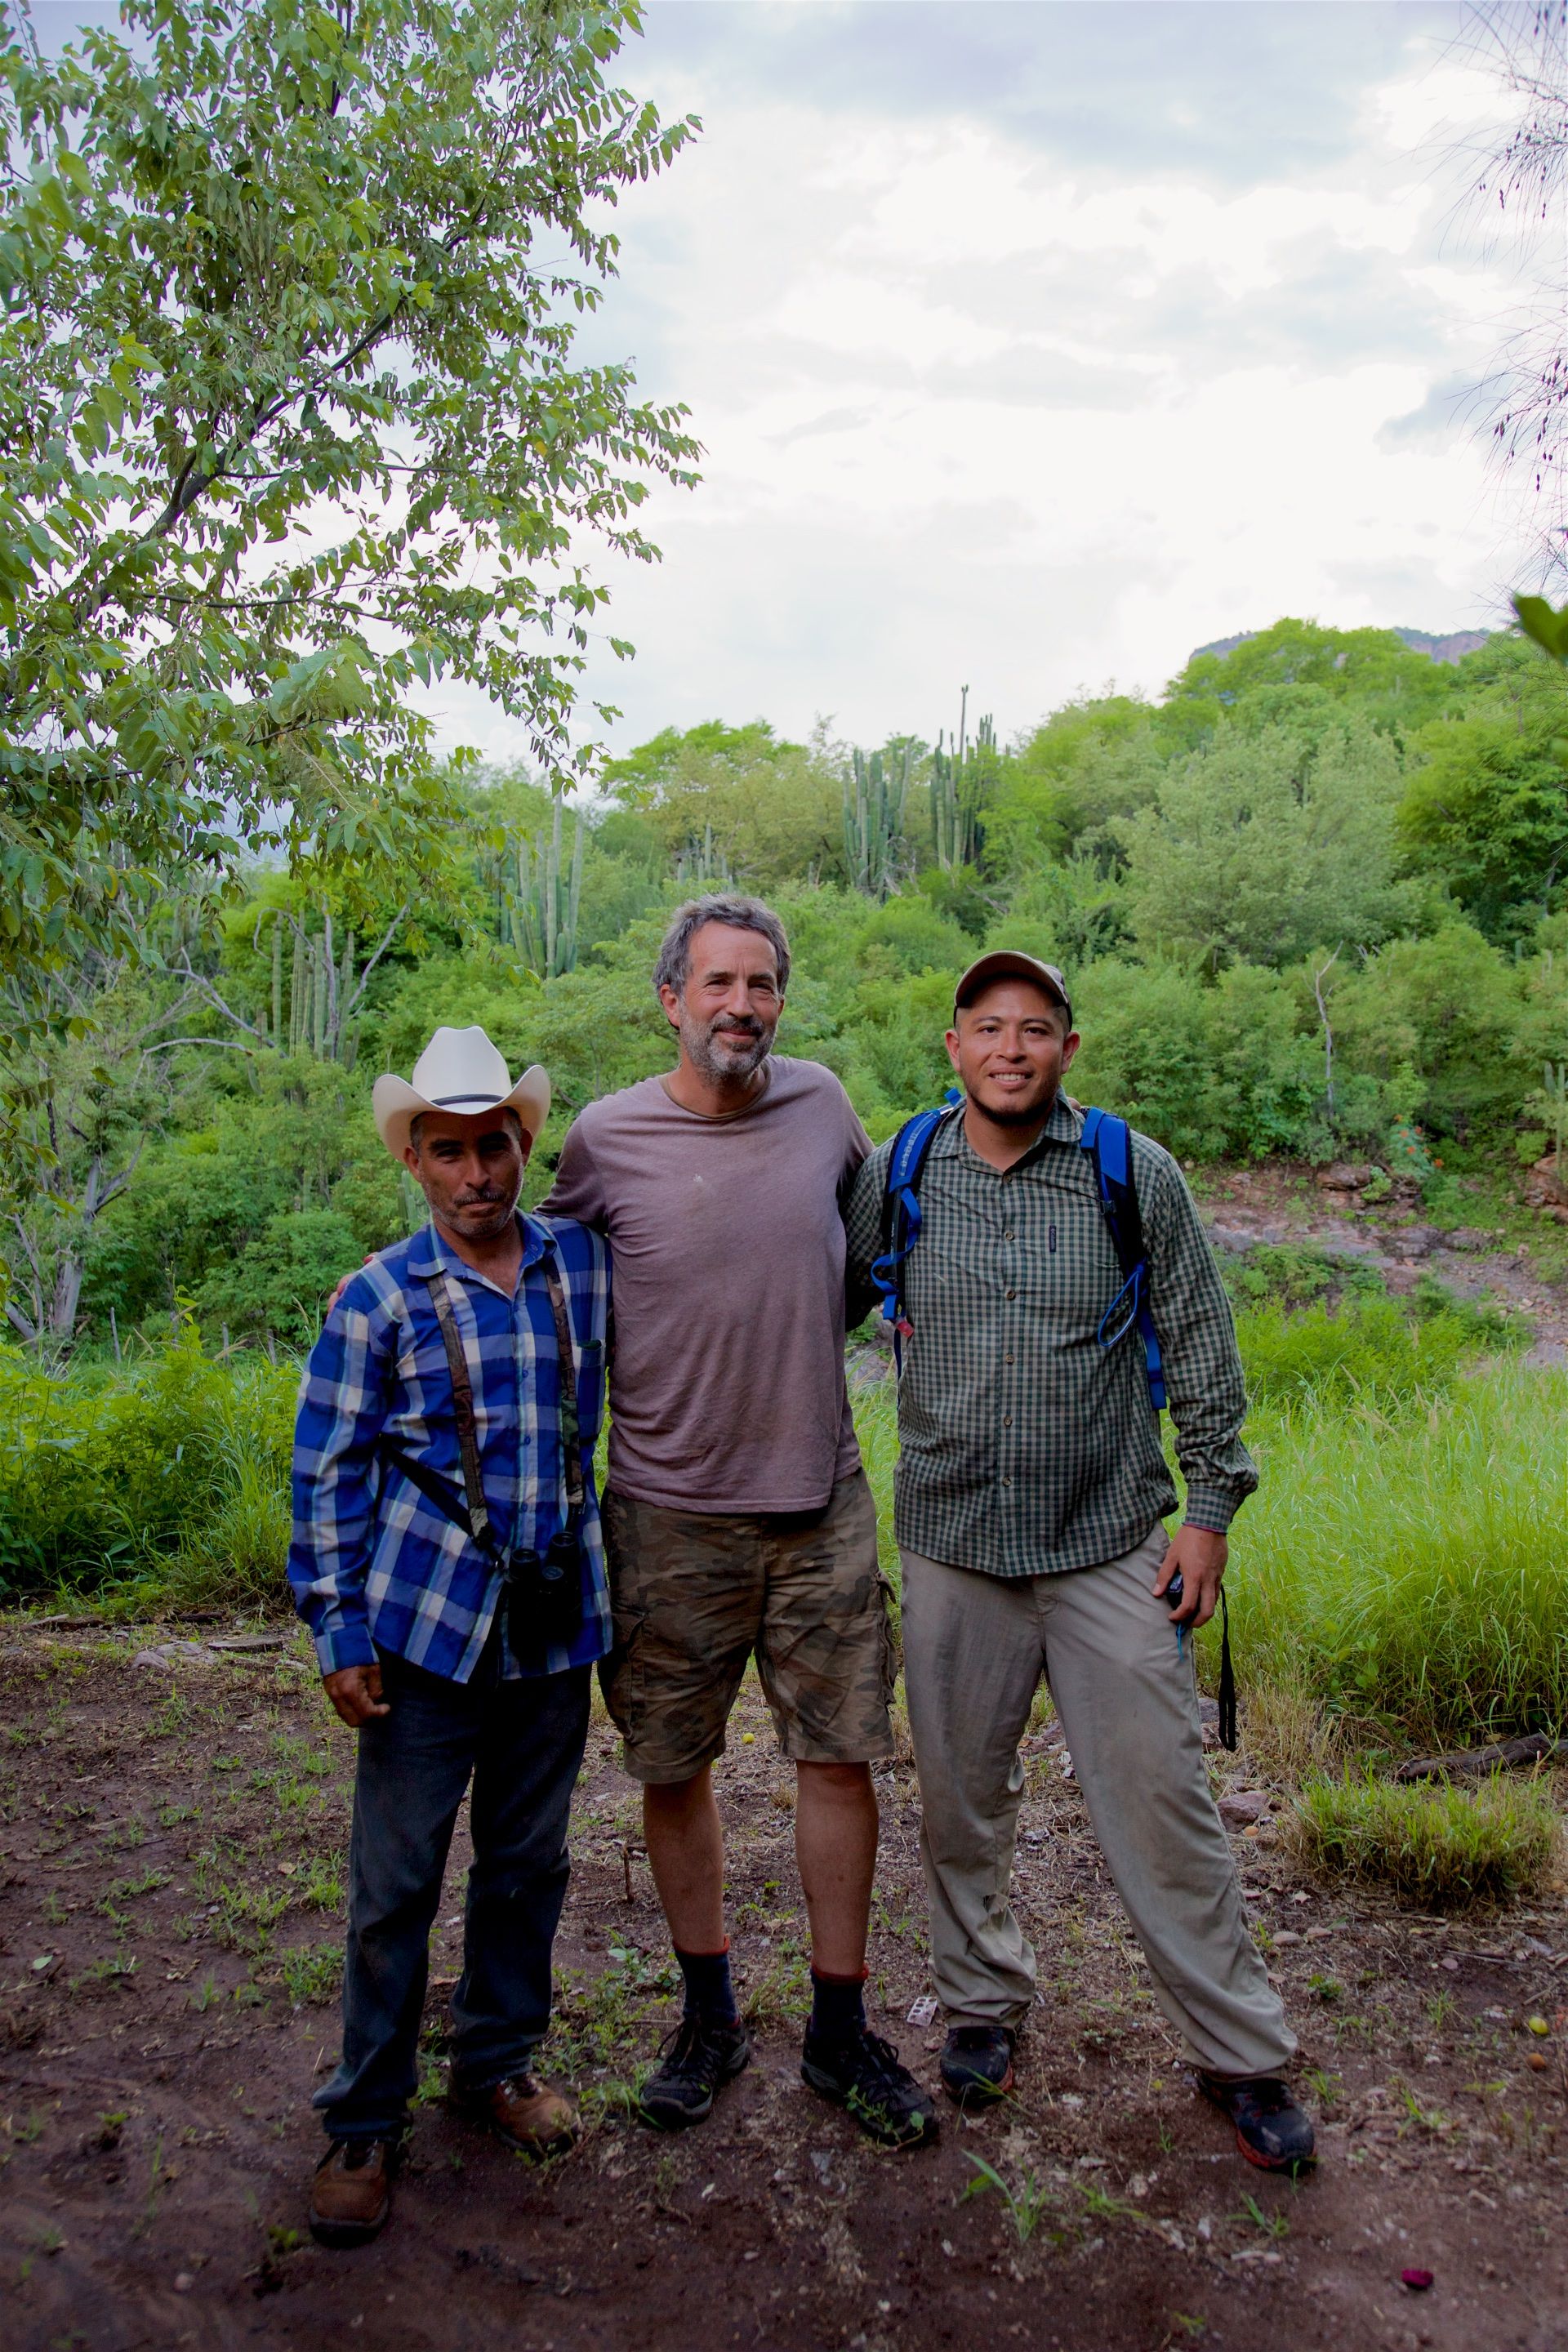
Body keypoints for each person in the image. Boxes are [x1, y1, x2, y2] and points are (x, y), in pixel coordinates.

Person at [843, 951, 1316, 2174]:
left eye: (1037, 1029)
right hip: (951, 1543)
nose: (1012, 1048)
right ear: (952, 1047)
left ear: (1068, 1048)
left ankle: (1241, 2054)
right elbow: (824, 1298)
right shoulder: (900, 1172)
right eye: (988, 1028)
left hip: (1108, 1543)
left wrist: (1210, 1509)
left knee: (1164, 1804)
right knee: (960, 1804)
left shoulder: (1129, 1171)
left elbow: (1204, 1341)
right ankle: (983, 2008)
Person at [543, 894, 937, 2149]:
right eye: (717, 984)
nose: (741, 1007)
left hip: (819, 1497)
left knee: (840, 1757)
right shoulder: (608, 1137)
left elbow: (888, 1241)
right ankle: (707, 2015)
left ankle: (837, 2028)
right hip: (664, 1514)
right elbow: (526, 1262)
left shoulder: (823, 1107)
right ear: (670, 999)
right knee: (674, 1766)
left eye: (761, 985)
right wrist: (390, 1274)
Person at [287, 1025, 611, 2247]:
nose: (476, 1173)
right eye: (449, 1152)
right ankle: (364, 2117)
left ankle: (498, 2063)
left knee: (529, 1864)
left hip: (555, 1625)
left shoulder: (582, 1265)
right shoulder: (374, 1301)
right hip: (422, 1630)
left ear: (524, 1145)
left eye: (494, 1147)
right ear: (413, 1161)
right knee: (396, 1885)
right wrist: (338, 1627)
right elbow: (328, 1475)